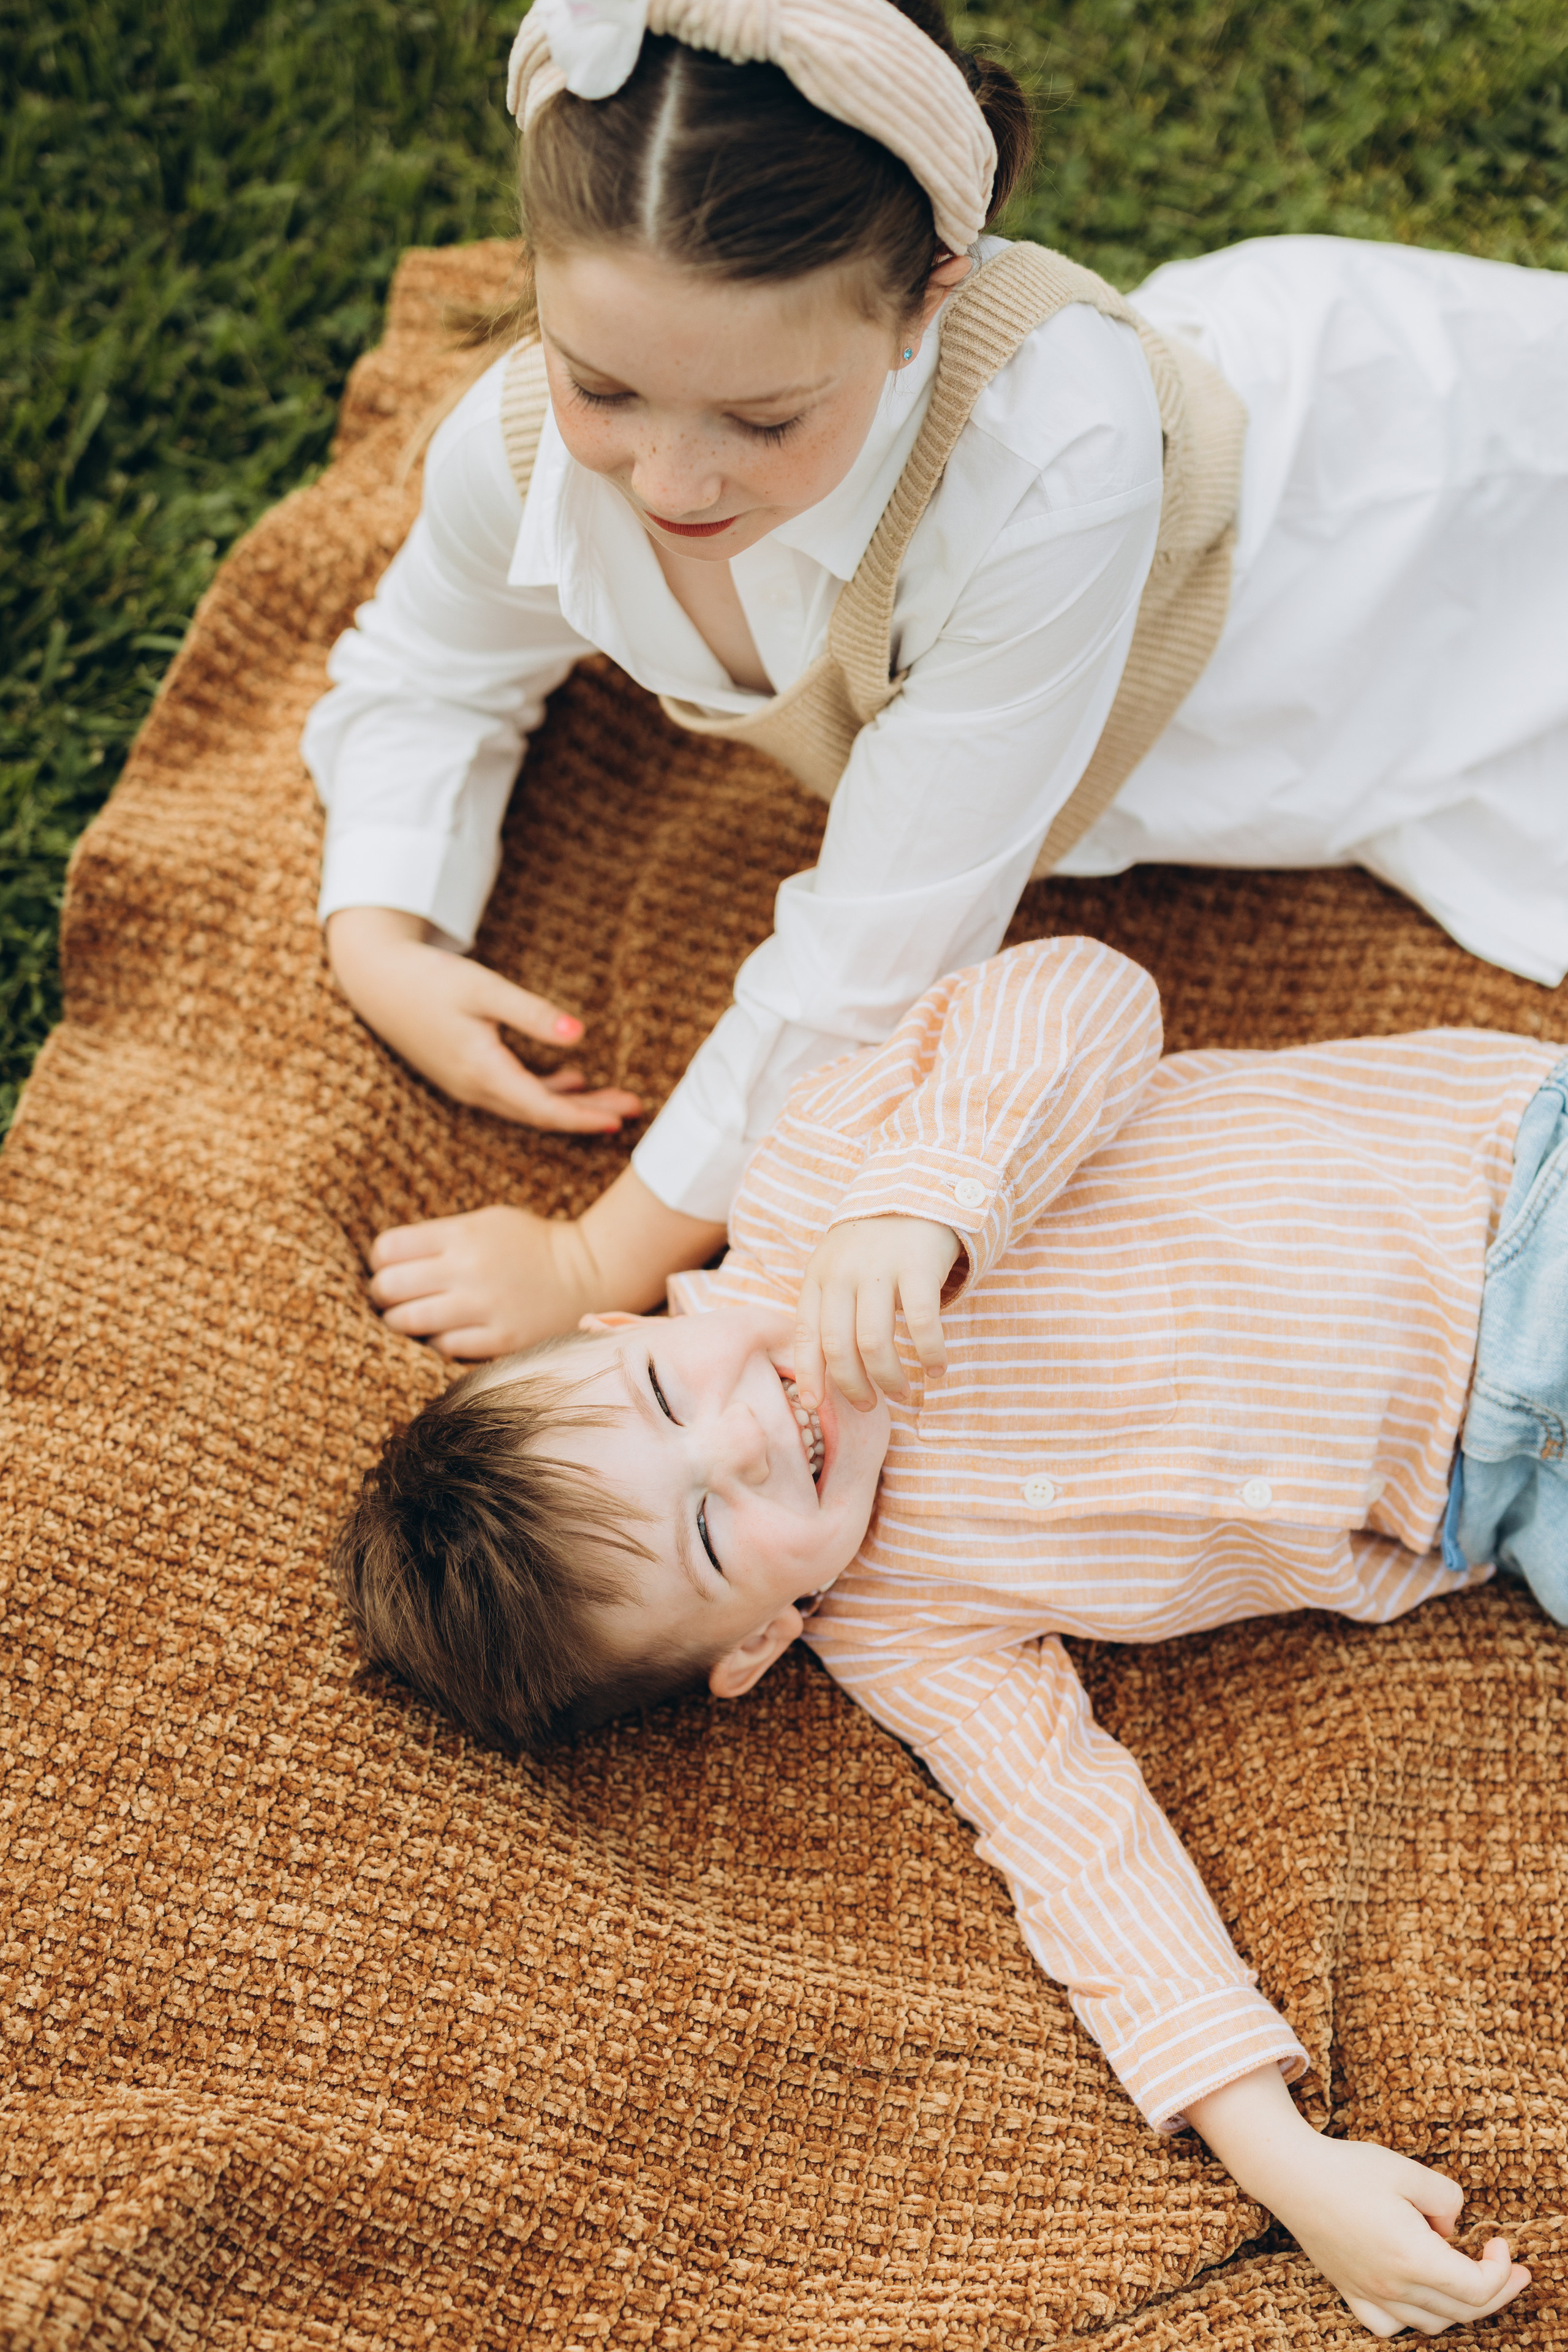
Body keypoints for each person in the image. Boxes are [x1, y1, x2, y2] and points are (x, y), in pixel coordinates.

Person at [334, 932, 1565, 2342]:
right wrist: (1281, 2163)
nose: (749, 1434)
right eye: (712, 1535)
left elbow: (1086, 994)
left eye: (669, 1394)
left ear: (624, 1319)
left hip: (1503, 1198)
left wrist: (922, 1209)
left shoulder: (817, 1185)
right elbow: (1076, 1848)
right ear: (755, 1645)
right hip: (1498, 1495)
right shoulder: (896, 1628)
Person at [304, 0, 1568, 1365]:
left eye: (763, 419)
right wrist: (380, 934)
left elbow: (876, 953)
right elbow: (423, 666)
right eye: (599, 385)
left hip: (1396, 542)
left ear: (927, 301)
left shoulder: (1048, 465)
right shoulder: (514, 451)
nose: (668, 482)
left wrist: (592, 1254)